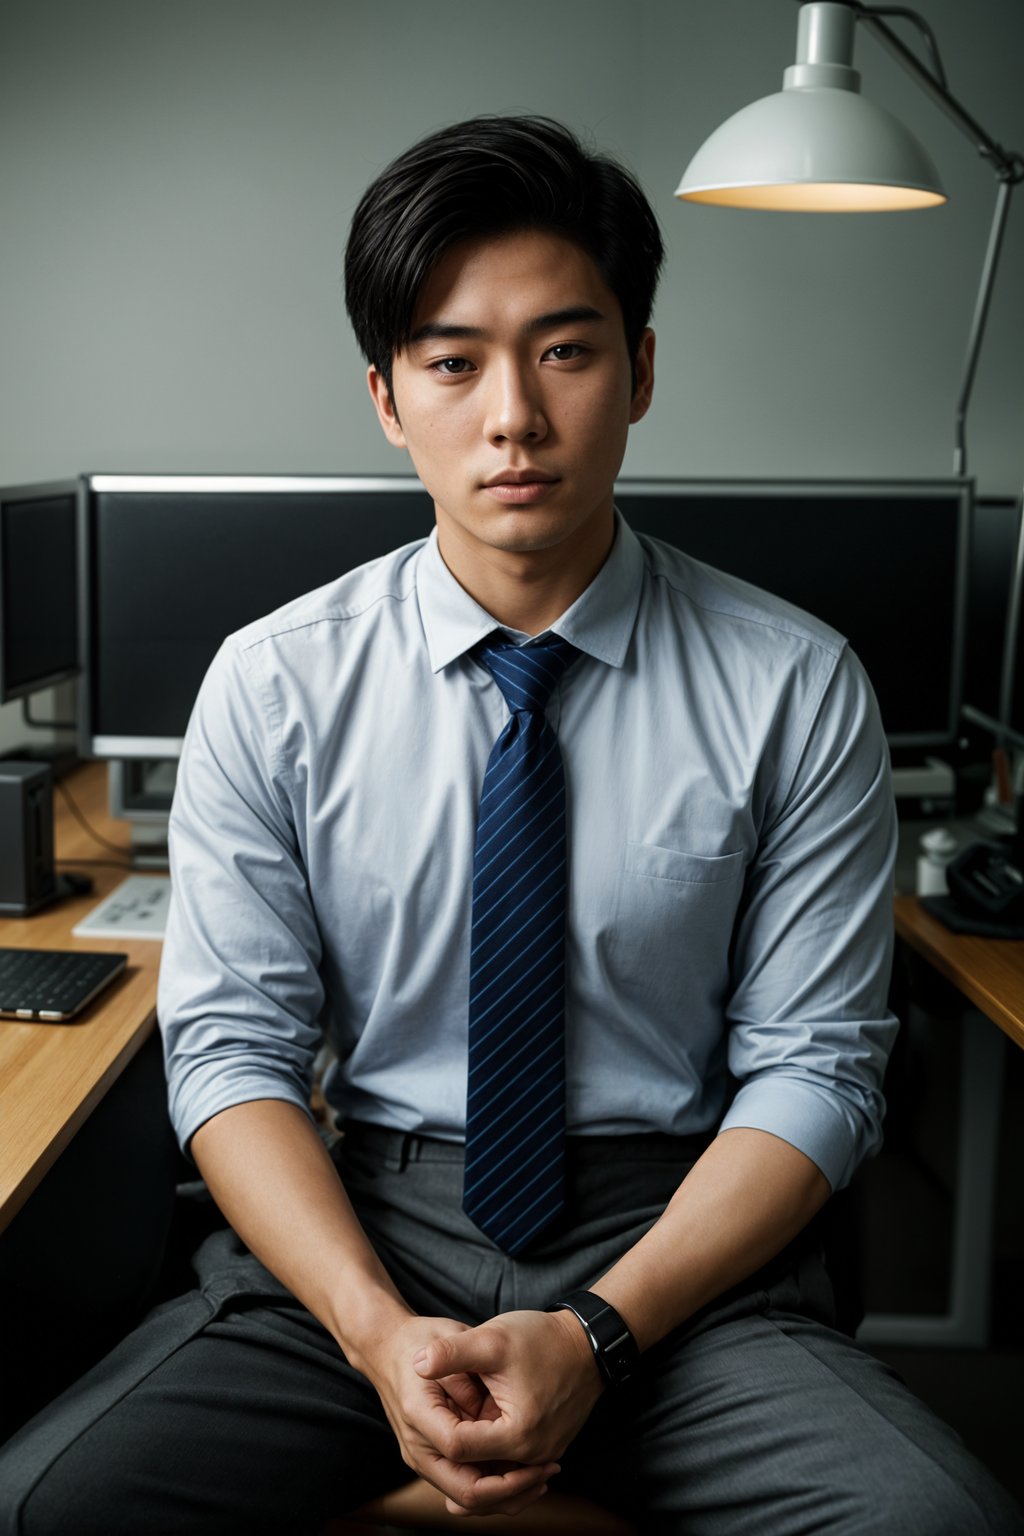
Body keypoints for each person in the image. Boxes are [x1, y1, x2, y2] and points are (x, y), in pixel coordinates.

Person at [1, 114, 1021, 1536]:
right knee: (46, 1508)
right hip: (368, 1240)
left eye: (566, 348)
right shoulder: (276, 683)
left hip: (683, 1254)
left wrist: (600, 1331)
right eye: (453, 361)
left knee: (942, 1522)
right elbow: (231, 1050)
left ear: (642, 369)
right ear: (385, 397)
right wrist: (373, 1332)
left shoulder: (795, 683)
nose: (514, 419)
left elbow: (819, 1070)